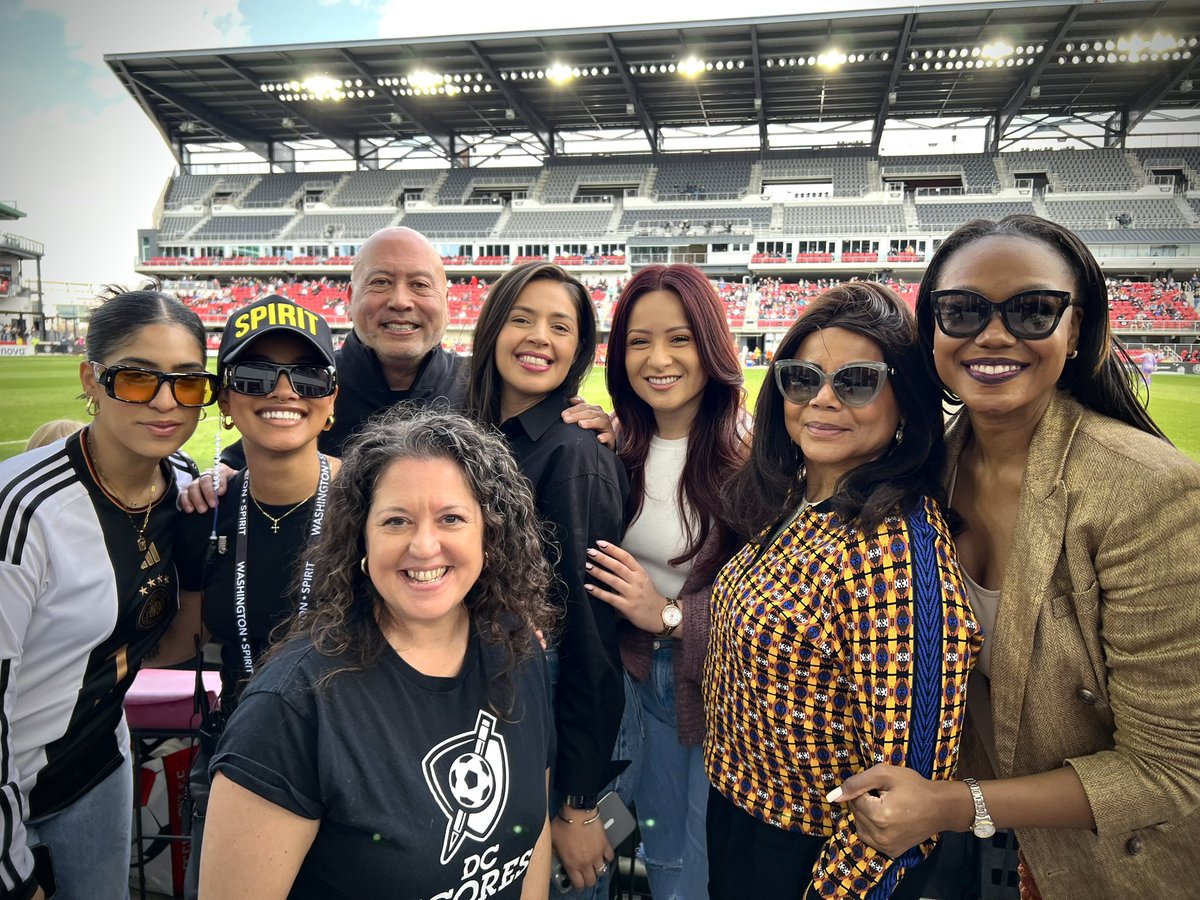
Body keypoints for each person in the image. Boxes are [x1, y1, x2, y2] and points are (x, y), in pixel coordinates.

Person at [831, 215, 1200, 899]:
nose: (992, 335)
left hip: (1127, 868)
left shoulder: (1151, 493)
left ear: (1076, 328)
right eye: (963, 310)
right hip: (980, 858)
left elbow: (1171, 770)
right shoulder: (924, 467)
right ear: (933, 328)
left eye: (1031, 310)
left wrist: (953, 803)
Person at [199, 409, 556, 900]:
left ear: (488, 536)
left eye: (451, 518)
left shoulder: (516, 650)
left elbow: (530, 844)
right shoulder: (290, 709)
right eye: (396, 521)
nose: (424, 545)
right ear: (361, 541)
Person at [704, 282, 982, 899]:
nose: (822, 399)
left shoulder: (893, 548)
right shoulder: (804, 499)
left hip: (813, 857)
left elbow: (901, 802)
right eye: (802, 379)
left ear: (904, 401)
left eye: (856, 381)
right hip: (739, 823)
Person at [0, 287, 215, 900]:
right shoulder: (23, 511)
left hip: (98, 764)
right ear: (91, 379)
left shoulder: (184, 488)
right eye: (138, 379)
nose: (167, 402)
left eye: (188, 382)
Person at [184, 227, 610, 512]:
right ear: (350, 296)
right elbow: (244, 462)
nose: (401, 301)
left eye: (421, 285)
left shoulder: (484, 389)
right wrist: (217, 474)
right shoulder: (307, 386)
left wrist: (608, 424)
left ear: (446, 297)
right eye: (381, 282)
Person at [145, 295, 342, 898]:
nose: (283, 391)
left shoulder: (375, 504)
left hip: (356, 762)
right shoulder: (199, 512)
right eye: (255, 375)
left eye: (307, 376)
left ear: (330, 401)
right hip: (239, 758)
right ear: (226, 402)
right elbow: (187, 633)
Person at [584, 264, 747, 899]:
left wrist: (672, 614)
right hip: (617, 682)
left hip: (697, 692)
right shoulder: (609, 449)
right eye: (639, 341)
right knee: (619, 840)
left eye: (680, 339)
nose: (658, 359)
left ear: (710, 347)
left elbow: (770, 598)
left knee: (682, 860)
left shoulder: (754, 458)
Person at [465, 261, 628, 894]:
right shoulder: (471, 433)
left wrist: (580, 802)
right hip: (480, 714)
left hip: (542, 723)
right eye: (522, 318)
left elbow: (590, 638)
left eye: (561, 326)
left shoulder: (575, 455)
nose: (540, 338)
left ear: (579, 349)